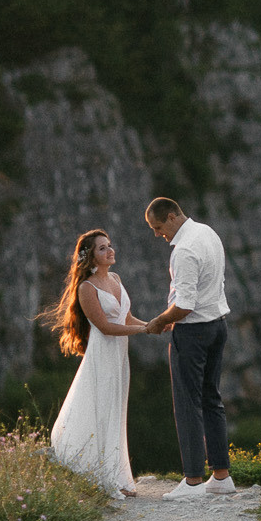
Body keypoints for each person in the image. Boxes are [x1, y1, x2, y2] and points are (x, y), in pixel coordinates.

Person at [36, 229, 149, 497]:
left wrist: (153, 324)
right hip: (102, 356)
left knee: (116, 410)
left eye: (110, 245)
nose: (110, 251)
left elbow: (127, 317)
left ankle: (119, 476)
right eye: (102, 248)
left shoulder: (116, 279)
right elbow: (106, 327)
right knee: (102, 410)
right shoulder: (86, 287)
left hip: (120, 356)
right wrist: (147, 331)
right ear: (90, 258)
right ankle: (103, 477)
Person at [140, 197, 233, 500]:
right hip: (218, 325)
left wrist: (159, 321)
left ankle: (193, 480)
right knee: (211, 399)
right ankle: (221, 477)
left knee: (187, 403)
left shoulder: (184, 250)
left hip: (194, 333)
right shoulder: (207, 232)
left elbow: (184, 304)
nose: (157, 234)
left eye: (158, 227)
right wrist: (174, 315)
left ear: (171, 217)